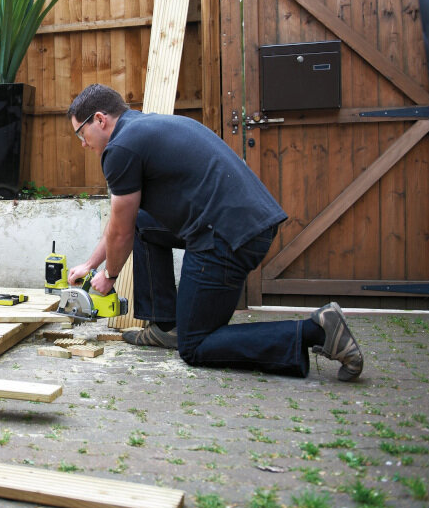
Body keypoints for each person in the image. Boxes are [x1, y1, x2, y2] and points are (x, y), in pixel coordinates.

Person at [66, 84, 363, 380]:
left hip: (226, 235)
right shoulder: (141, 129)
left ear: (101, 120)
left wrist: (111, 276)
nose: (82, 143)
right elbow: (124, 222)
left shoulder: (120, 148)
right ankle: (166, 326)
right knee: (144, 221)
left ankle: (319, 330)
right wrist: (92, 265)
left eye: (81, 133)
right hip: (239, 224)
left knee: (195, 345)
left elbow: (120, 234)